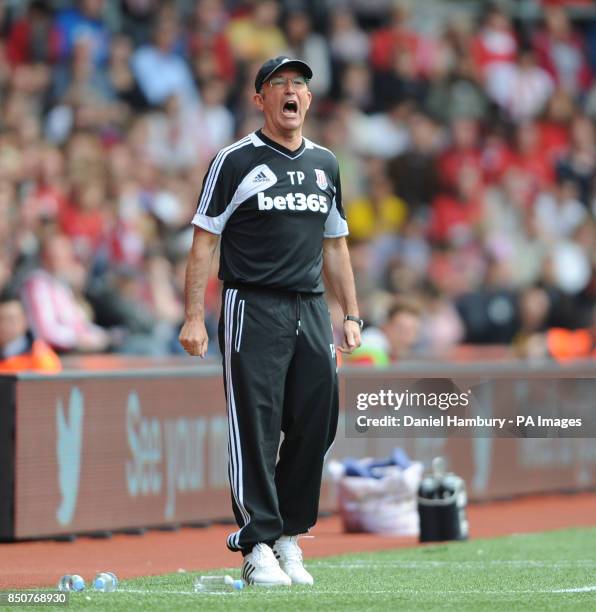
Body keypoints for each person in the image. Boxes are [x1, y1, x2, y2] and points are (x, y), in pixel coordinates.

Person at [179, 56, 361, 586]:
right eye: (278, 84)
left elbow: (336, 242)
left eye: (299, 84)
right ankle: (257, 544)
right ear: (259, 100)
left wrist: (351, 313)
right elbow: (204, 239)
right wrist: (194, 316)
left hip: (310, 309)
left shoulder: (326, 163)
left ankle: (288, 535)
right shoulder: (234, 160)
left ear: (309, 99)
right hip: (250, 305)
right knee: (255, 427)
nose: (290, 91)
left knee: (317, 421)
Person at [0, 291, 61, 373]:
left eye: (11, 319)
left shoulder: (40, 356)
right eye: (1, 319)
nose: (5, 325)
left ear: (25, 320)